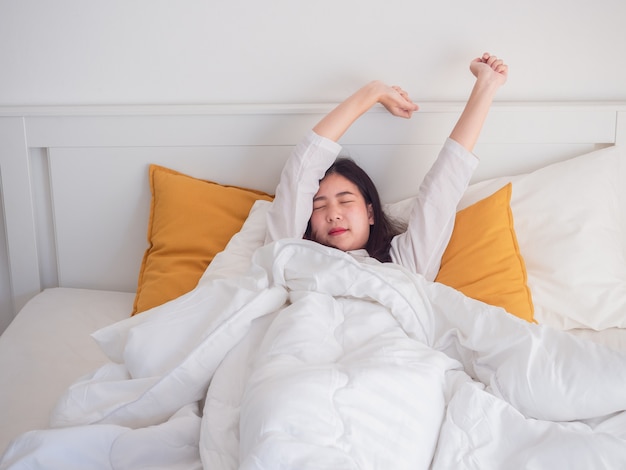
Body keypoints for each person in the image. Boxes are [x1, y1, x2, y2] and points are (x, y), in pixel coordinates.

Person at [265, 52, 508, 280]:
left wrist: (486, 86)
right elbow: (300, 173)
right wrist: (372, 93)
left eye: (346, 200)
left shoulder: (402, 266)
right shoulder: (288, 257)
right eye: (319, 206)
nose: (334, 214)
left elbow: (442, 191)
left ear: (370, 213)